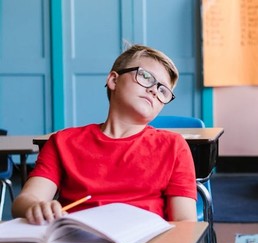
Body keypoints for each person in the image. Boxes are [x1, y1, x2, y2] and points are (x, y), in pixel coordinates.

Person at [12, 44, 197, 226]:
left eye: (163, 90)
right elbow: (26, 199)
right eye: (145, 77)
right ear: (113, 80)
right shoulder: (63, 142)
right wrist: (36, 207)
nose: (154, 90)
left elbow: (184, 221)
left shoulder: (173, 146)